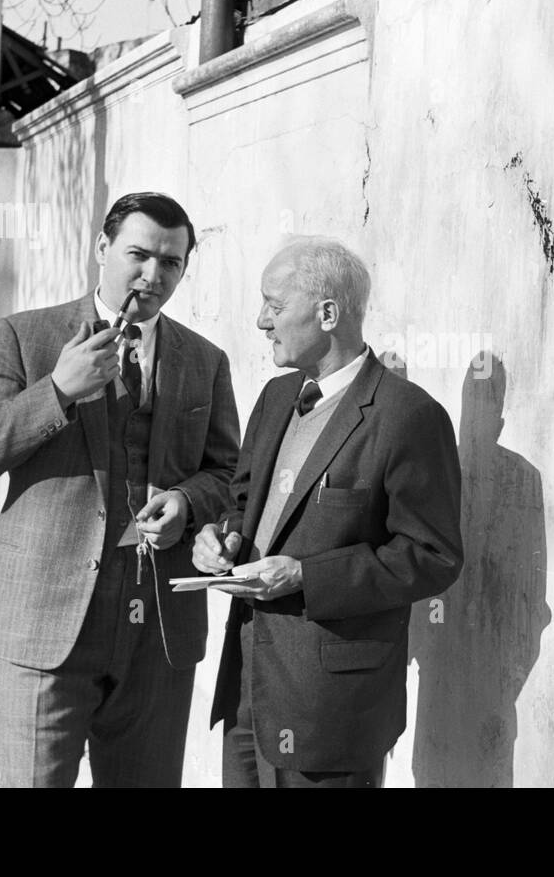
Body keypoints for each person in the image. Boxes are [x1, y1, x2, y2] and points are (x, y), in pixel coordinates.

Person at [0, 191, 241, 787]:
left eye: (172, 263)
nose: (152, 275)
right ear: (102, 247)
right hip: (45, 626)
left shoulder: (205, 361)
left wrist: (186, 503)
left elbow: (229, 476)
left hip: (158, 631)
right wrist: (56, 390)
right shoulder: (25, 337)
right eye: (138, 254)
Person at [193, 237, 462, 788]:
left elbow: (432, 556)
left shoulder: (408, 417)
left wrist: (306, 576)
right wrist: (219, 538)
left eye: (274, 304)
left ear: (328, 313)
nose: (261, 320)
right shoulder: (274, 398)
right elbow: (244, 506)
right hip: (247, 689)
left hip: (334, 709)